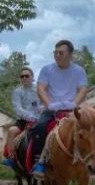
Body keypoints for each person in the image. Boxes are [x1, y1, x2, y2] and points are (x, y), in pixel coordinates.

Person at [29, 40, 88, 176]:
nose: (57, 55)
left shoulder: (79, 71)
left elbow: (83, 90)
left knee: (91, 126)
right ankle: (39, 162)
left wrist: (74, 103)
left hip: (72, 110)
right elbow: (41, 88)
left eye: (61, 52)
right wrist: (49, 104)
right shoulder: (47, 69)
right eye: (55, 52)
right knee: (39, 127)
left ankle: (93, 158)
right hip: (51, 109)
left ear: (70, 54)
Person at [3, 66, 41, 167]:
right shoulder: (17, 92)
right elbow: (18, 109)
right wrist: (31, 117)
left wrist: (40, 112)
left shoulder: (39, 90)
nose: (24, 78)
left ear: (32, 77)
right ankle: (10, 158)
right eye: (22, 76)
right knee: (11, 130)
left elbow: (45, 104)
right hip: (23, 121)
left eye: (26, 76)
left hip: (39, 119)